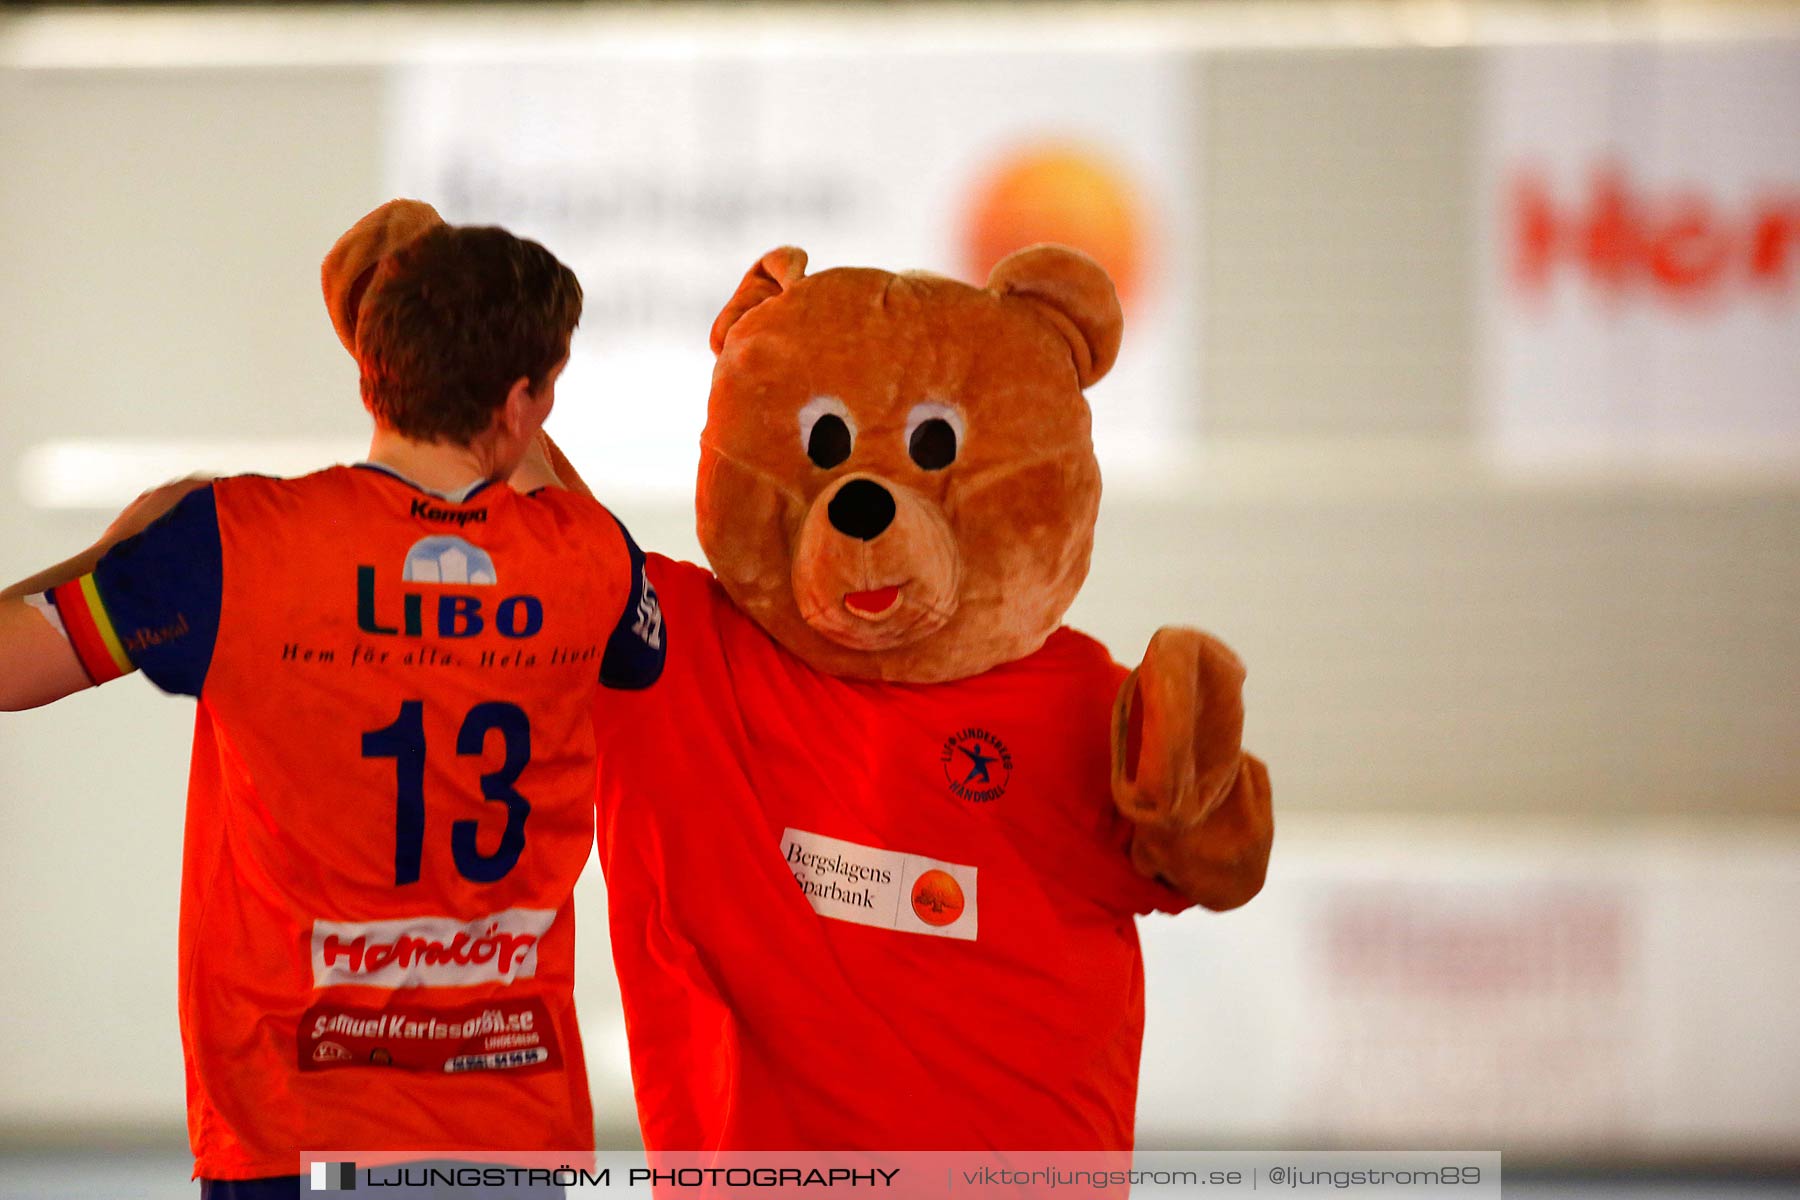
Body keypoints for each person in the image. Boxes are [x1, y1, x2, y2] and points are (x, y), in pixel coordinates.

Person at [0, 205, 664, 1197]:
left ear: (369, 375)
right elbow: (560, 506)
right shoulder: (589, 560)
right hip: (506, 1125)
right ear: (524, 400)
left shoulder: (227, 545)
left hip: (290, 1126)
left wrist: (116, 550)